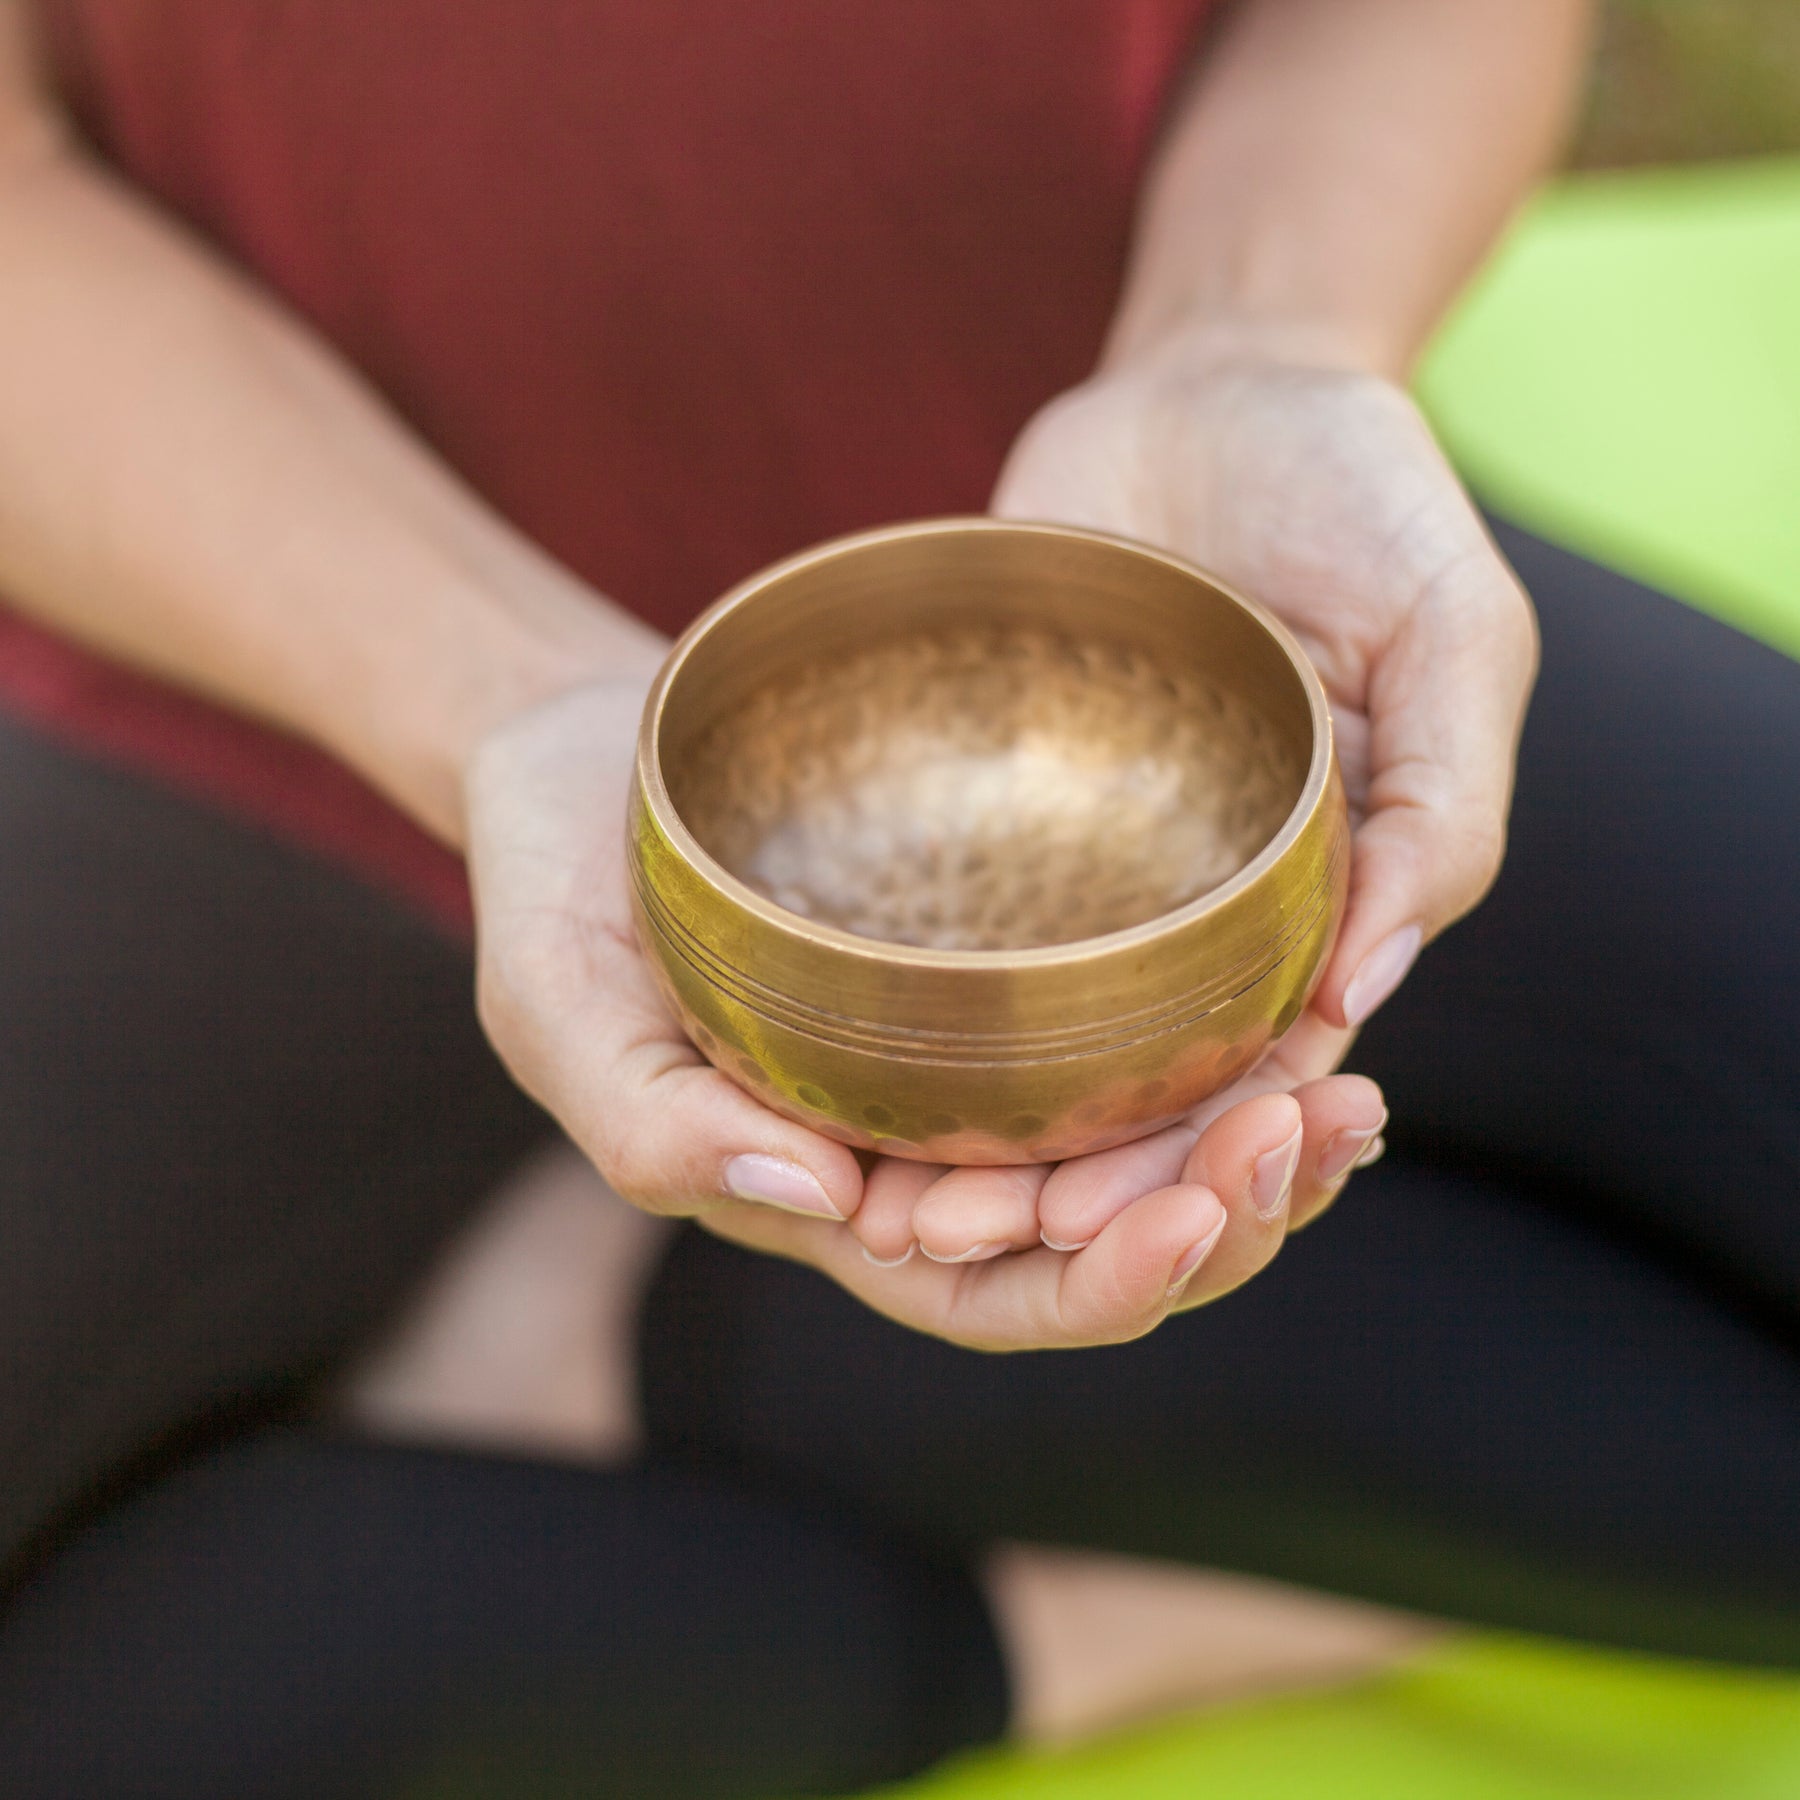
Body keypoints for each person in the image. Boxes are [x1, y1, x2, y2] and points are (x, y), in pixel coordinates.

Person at [0, 0, 1794, 1794]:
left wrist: (1252, 341)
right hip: (243, 693)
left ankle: (676, 1352)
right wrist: (501, 703)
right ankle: (1045, 1619)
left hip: (1163, 551)